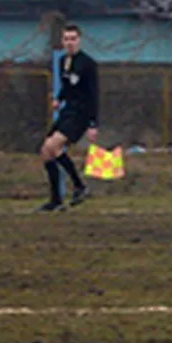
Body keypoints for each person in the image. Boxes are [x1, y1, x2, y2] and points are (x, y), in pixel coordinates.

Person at [37, 24, 99, 212]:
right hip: (67, 112)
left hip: (81, 114)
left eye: (73, 39)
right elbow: (67, 87)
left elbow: (94, 94)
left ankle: (79, 186)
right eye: (67, 39)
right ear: (62, 41)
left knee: (52, 146)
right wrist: (59, 99)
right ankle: (56, 200)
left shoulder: (88, 64)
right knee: (45, 152)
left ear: (79, 40)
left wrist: (93, 123)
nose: (70, 43)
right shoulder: (63, 60)